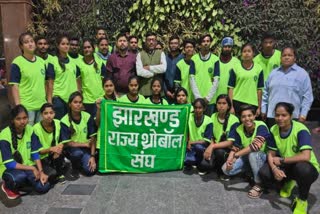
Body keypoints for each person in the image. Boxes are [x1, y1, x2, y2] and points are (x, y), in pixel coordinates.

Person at [259, 102, 319, 214]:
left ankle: (302, 200)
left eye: (284, 115)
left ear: (291, 116)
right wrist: (274, 169)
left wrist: (282, 160)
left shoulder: (301, 129)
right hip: (287, 165)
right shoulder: (273, 129)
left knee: (302, 169)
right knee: (264, 172)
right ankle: (289, 181)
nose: (280, 118)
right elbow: (271, 154)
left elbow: (306, 156)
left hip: (307, 167)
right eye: (277, 115)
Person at [0, 105, 50, 200]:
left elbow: (35, 153)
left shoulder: (30, 129)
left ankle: (24, 182)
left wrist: (41, 171)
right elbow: (9, 164)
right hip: (8, 168)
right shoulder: (4, 135)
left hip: (26, 166)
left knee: (44, 187)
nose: (22, 121)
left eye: (24, 118)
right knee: (19, 177)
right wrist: (32, 168)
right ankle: (6, 185)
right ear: (12, 120)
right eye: (18, 119)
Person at [222, 105, 269, 199]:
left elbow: (256, 146)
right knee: (225, 169)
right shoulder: (239, 129)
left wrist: (236, 155)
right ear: (240, 118)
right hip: (247, 157)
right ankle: (250, 172)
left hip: (263, 158)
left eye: (250, 115)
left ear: (255, 115)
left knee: (253, 154)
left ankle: (259, 185)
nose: (247, 119)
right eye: (243, 116)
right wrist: (229, 160)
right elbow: (235, 147)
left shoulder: (261, 126)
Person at [261, 47, 313, 128]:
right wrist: (263, 110)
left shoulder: (302, 74)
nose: (287, 57)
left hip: (293, 117)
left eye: (290, 55)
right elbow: (265, 93)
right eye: (284, 55)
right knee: (273, 140)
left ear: (294, 58)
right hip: (273, 116)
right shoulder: (273, 73)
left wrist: (303, 115)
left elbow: (307, 96)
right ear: (280, 58)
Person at [10, 32, 47, 125]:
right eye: (26, 42)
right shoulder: (17, 63)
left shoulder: (42, 62)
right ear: (21, 46)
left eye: (32, 41)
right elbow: (14, 86)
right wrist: (19, 107)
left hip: (41, 106)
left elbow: (45, 83)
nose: (30, 44)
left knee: (39, 135)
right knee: (27, 136)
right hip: (27, 108)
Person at [201, 94, 239, 179]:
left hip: (228, 149)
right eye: (219, 103)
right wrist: (211, 145)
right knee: (204, 165)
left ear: (229, 106)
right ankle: (215, 166)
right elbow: (211, 135)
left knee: (220, 152)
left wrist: (212, 146)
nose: (221, 106)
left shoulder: (234, 119)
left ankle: (224, 171)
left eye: (224, 103)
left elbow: (230, 142)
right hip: (215, 146)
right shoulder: (213, 116)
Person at [61, 92, 97, 177]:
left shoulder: (87, 116)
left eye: (80, 102)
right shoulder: (64, 121)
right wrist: (84, 144)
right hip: (72, 149)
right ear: (70, 104)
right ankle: (73, 165)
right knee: (77, 154)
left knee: (90, 171)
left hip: (86, 149)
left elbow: (93, 138)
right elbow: (67, 143)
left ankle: (82, 164)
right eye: (75, 102)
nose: (78, 104)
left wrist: (92, 156)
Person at [33, 103, 71, 183]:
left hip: (55, 154)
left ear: (54, 113)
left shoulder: (58, 123)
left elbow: (63, 140)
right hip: (42, 157)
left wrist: (59, 148)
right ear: (41, 114)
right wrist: (51, 149)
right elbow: (38, 151)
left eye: (51, 113)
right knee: (52, 175)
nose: (49, 116)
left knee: (65, 150)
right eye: (45, 113)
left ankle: (59, 170)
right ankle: (54, 171)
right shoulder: (35, 128)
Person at [47, 35, 80, 119]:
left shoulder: (73, 63)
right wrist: (49, 102)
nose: (66, 46)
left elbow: (77, 81)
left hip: (71, 100)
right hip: (58, 100)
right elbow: (50, 83)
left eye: (67, 44)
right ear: (58, 46)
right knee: (59, 126)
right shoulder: (53, 61)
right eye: (63, 44)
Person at [228, 43, 264, 117]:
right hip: (237, 103)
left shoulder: (259, 68)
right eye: (244, 51)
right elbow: (230, 88)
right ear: (241, 54)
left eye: (249, 51)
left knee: (250, 127)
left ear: (253, 53)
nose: (246, 53)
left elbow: (259, 89)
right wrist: (231, 106)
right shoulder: (235, 68)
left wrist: (259, 107)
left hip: (252, 104)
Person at [189, 34, 219, 115]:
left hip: (210, 100)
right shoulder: (194, 59)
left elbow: (216, 81)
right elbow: (191, 79)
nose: (205, 43)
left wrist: (208, 98)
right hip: (196, 99)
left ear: (210, 43)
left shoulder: (215, 59)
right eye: (203, 41)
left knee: (208, 123)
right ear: (200, 44)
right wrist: (198, 98)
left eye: (208, 41)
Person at [78, 39, 106, 117]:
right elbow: (78, 85)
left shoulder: (100, 62)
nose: (87, 49)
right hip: (86, 101)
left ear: (93, 48)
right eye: (85, 48)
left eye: (89, 47)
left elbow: (104, 82)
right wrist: (80, 101)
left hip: (100, 99)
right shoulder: (79, 64)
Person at [184, 98, 213, 175]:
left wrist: (191, 142)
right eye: (195, 108)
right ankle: (192, 162)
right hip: (190, 146)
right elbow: (186, 130)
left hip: (202, 147)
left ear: (204, 108)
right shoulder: (189, 117)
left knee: (198, 148)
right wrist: (188, 142)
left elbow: (206, 140)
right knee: (187, 160)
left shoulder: (208, 120)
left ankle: (201, 162)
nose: (197, 110)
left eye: (200, 108)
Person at [136, 32, 166, 97]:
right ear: (146, 42)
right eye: (149, 40)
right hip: (144, 92)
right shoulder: (140, 55)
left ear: (156, 42)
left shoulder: (161, 53)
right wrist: (154, 73)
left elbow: (163, 68)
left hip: (158, 92)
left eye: (153, 40)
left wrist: (149, 67)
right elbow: (139, 72)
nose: (151, 42)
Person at [213, 37, 240, 104]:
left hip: (230, 98)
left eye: (229, 47)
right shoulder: (215, 61)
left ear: (232, 48)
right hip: (215, 98)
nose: (227, 48)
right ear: (222, 47)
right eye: (225, 46)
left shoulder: (236, 62)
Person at [95, 77, 118, 152]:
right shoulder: (99, 101)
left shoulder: (119, 101)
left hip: (115, 138)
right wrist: (99, 109)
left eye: (111, 85)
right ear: (103, 87)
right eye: (106, 86)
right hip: (103, 137)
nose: (109, 88)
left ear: (114, 86)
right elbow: (98, 123)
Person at [164, 35, 184, 103]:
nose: (173, 45)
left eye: (175, 43)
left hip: (180, 94)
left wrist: (177, 92)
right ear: (169, 45)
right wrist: (166, 91)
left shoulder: (183, 58)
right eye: (171, 43)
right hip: (166, 93)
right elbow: (161, 76)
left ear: (179, 45)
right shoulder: (164, 58)